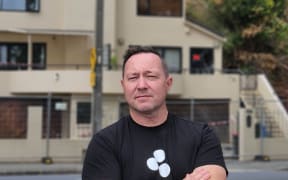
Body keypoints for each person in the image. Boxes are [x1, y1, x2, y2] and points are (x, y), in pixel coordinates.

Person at [82, 46, 228, 180]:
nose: (141, 86)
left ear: (168, 83)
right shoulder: (105, 143)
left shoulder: (201, 136)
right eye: (133, 78)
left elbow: (215, 176)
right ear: (123, 86)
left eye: (150, 76)